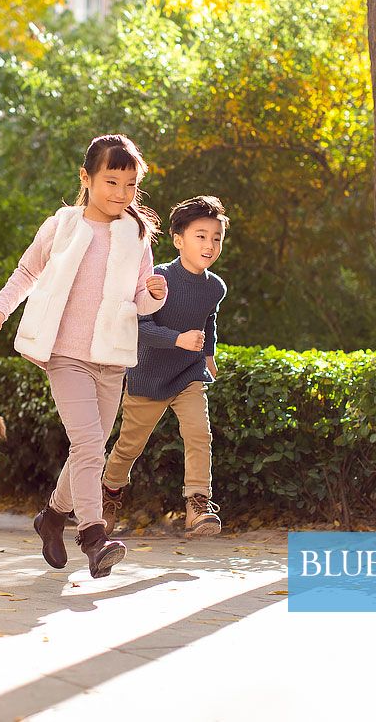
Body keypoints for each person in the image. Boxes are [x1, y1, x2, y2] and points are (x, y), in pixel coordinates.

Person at [0, 134, 167, 578]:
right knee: (88, 445)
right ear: (86, 178)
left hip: (112, 355)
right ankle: (93, 535)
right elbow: (28, 270)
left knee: (91, 447)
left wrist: (155, 296)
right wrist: (1, 308)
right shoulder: (62, 226)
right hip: (65, 353)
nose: (121, 194)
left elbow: (141, 295)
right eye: (111, 182)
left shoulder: (137, 232)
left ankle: (51, 516)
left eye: (130, 185)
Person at [101, 196, 229, 537]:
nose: (210, 244)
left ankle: (198, 505)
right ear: (178, 239)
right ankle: (109, 494)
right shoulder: (158, 278)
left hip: (188, 373)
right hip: (149, 375)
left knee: (199, 433)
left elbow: (209, 321)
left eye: (216, 237)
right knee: (129, 446)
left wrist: (207, 355)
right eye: (201, 235)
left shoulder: (215, 287)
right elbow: (140, 327)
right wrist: (177, 339)